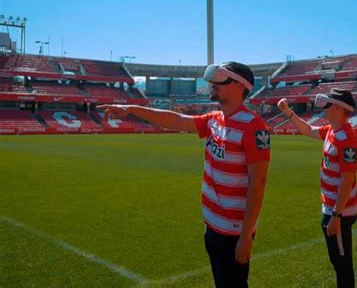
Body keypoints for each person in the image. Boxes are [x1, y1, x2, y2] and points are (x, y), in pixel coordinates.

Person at [98, 61, 270, 288]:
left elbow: (258, 182)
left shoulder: (253, 127)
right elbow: (175, 120)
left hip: (234, 232)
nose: (212, 86)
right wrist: (131, 109)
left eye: (220, 82)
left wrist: (246, 235)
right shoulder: (214, 120)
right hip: (213, 225)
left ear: (240, 87)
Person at [277, 88, 357, 288]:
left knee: (342, 264)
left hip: (340, 212)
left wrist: (336, 216)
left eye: (328, 105)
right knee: (337, 261)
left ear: (340, 109)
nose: (324, 110)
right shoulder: (332, 131)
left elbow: (347, 180)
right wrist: (288, 112)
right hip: (331, 209)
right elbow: (307, 130)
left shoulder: (347, 138)